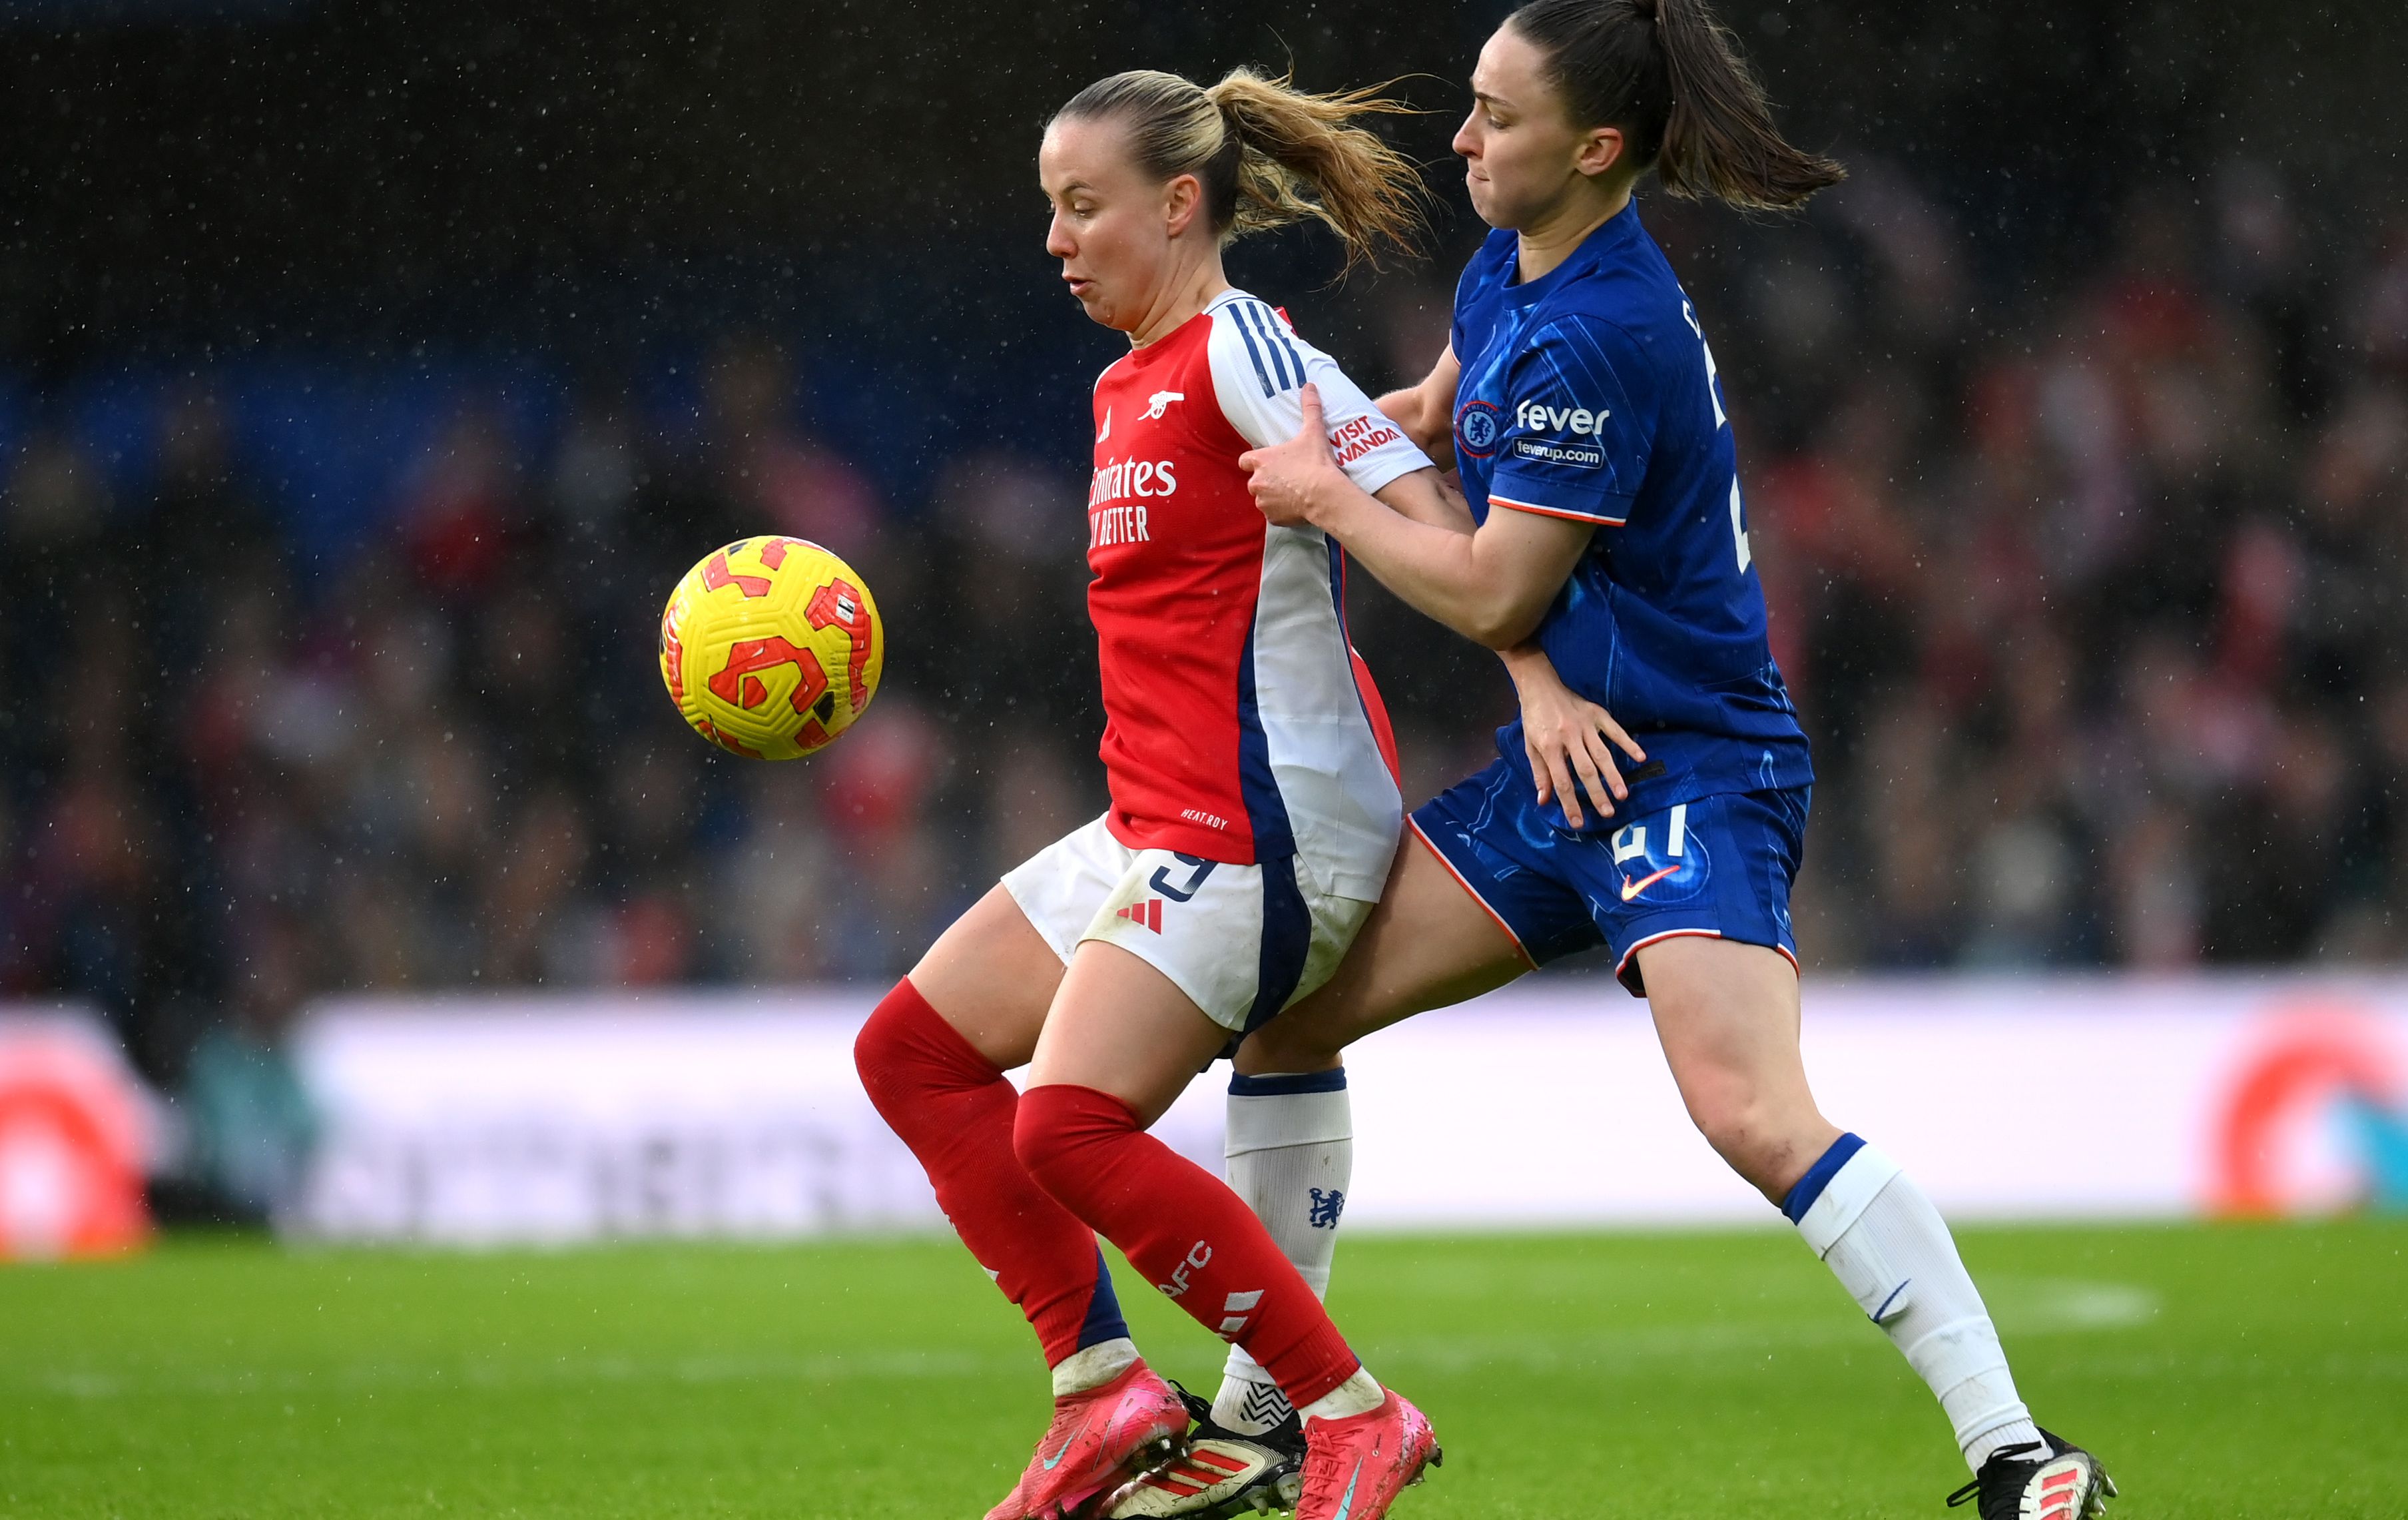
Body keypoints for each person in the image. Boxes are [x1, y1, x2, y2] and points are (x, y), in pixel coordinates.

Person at [1127, 5, 2120, 1519]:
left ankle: (2019, 1456)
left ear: (1595, 150)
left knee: (1750, 1113)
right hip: (1564, 768)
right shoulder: (1508, 269)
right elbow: (1440, 433)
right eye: (1468, 105)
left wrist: (1328, 504)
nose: (1461, 138)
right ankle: (1270, 1418)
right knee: (1286, 1019)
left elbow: (1490, 585)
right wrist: (1360, 444)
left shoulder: (1605, 329)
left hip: (1689, 764)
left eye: (1496, 117)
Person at [847, 64, 1588, 1520]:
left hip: (1269, 826)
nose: (1056, 242)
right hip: (1159, 816)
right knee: (911, 1054)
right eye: (1048, 211)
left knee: (1065, 1124)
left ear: (1180, 203)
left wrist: (1533, 675)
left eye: (1083, 207)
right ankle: (1105, 1392)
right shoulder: (1129, 379)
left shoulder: (1245, 344)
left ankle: (1348, 1412)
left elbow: (1437, 516)